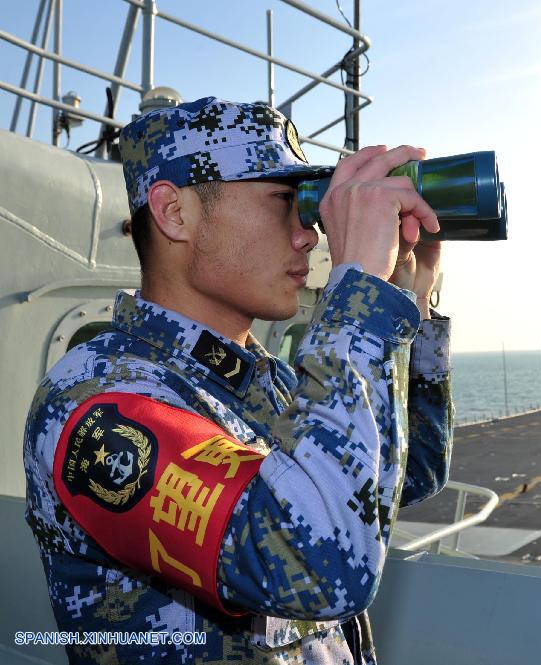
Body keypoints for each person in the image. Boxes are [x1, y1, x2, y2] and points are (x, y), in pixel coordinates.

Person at [23, 96, 453, 664]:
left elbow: (407, 475)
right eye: (283, 201)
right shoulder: (102, 403)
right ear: (174, 213)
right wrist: (357, 303)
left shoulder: (257, 378)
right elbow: (321, 564)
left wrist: (406, 297)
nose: (309, 236)